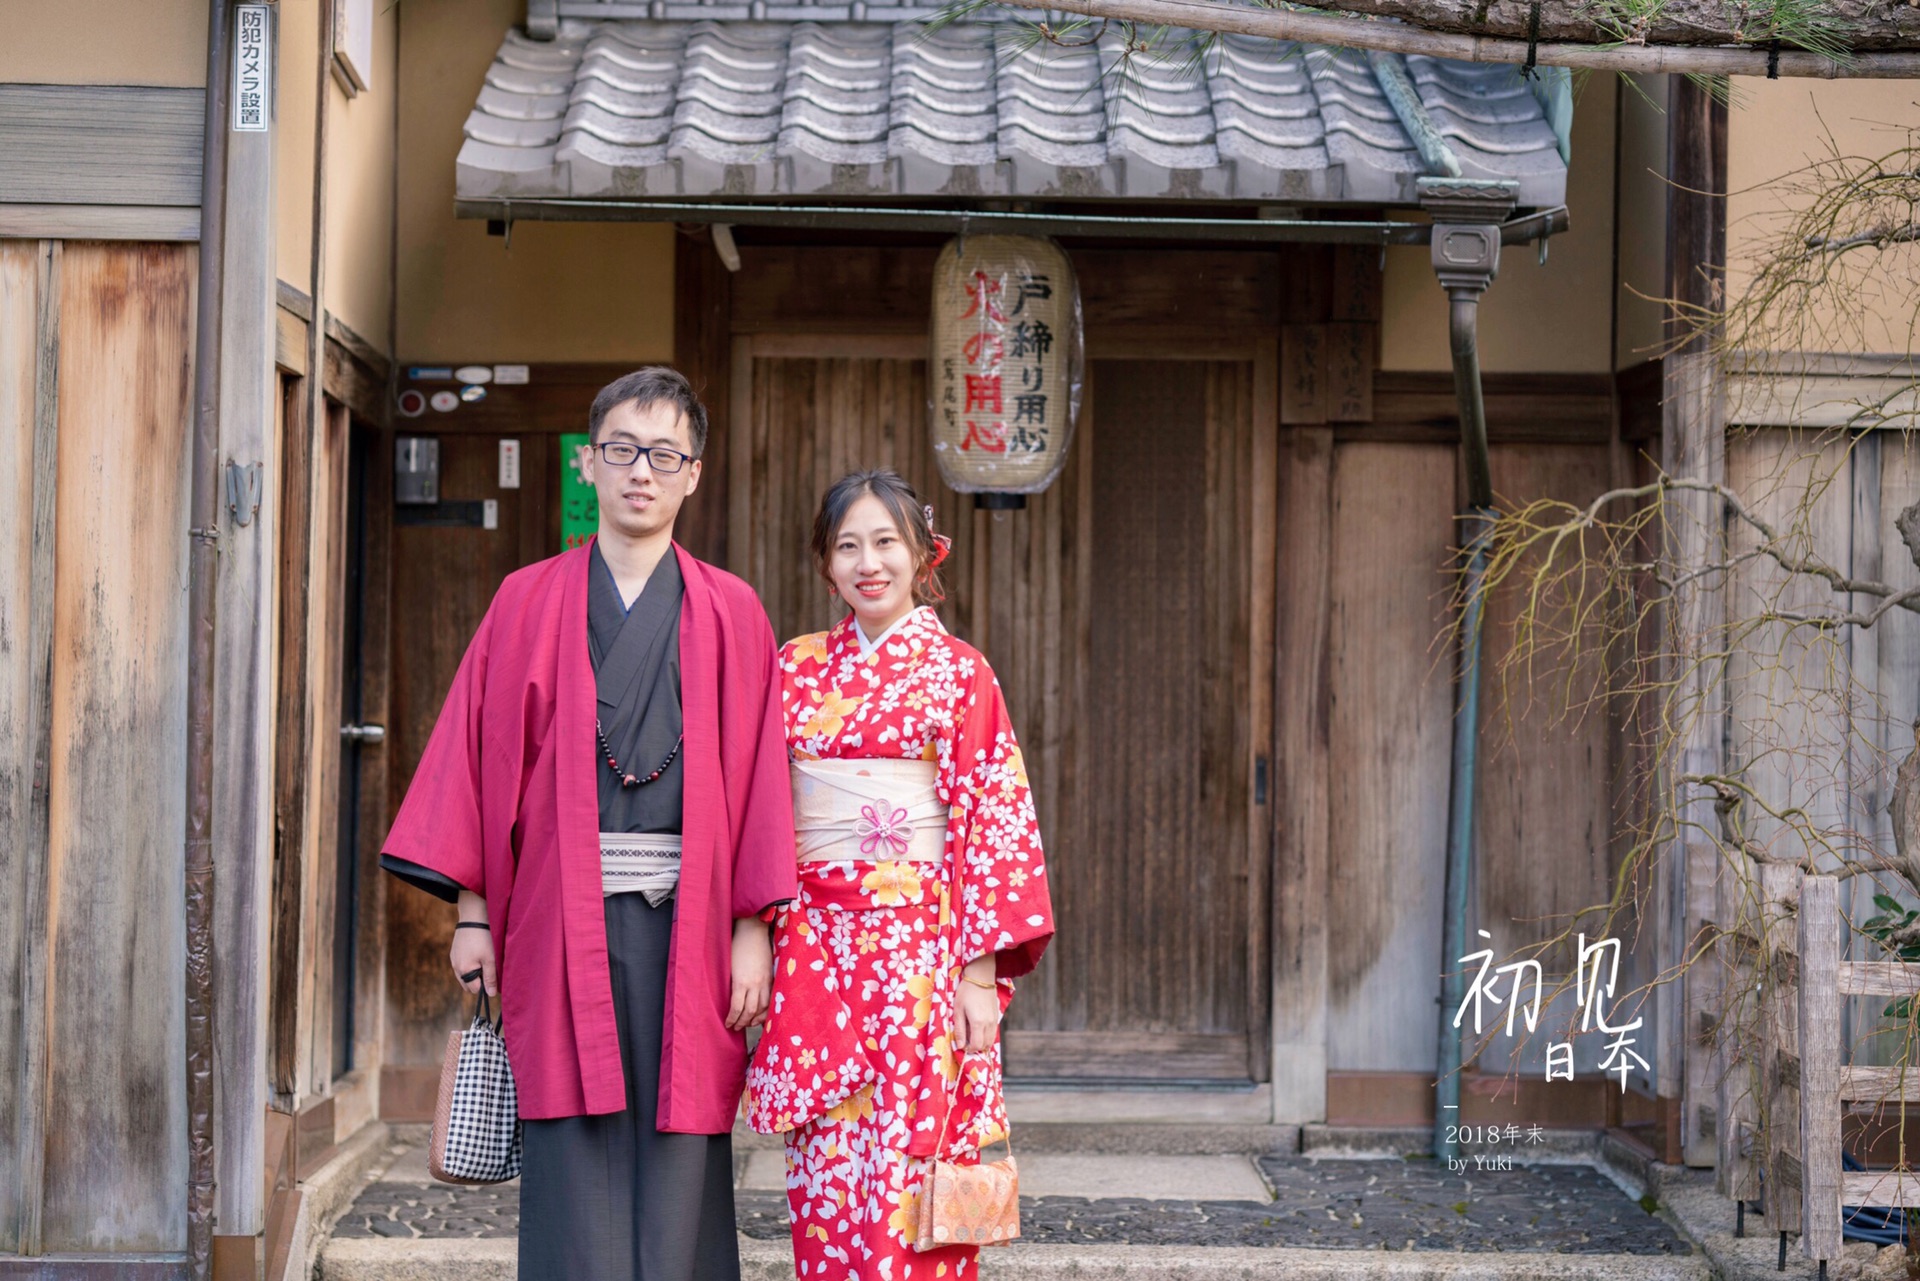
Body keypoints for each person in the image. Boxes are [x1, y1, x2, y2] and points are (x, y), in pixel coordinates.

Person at [381, 367, 795, 1281]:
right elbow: (481, 765)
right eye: (621, 450)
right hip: (555, 919)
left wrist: (753, 927)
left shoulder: (733, 611)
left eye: (664, 454)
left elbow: (763, 779)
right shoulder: (525, 600)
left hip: (692, 922)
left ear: (694, 473)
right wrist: (473, 916)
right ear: (588, 464)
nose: (641, 471)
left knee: (681, 1131)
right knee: (570, 1134)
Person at [748, 468, 1055, 1280]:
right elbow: (760, 807)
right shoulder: (795, 666)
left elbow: (991, 815)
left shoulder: (960, 671)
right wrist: (756, 927)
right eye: (847, 545)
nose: (868, 562)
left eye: (885, 541)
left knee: (916, 1159)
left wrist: (979, 973)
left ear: (922, 552)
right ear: (826, 562)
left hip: (925, 954)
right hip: (817, 948)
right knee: (827, 1159)